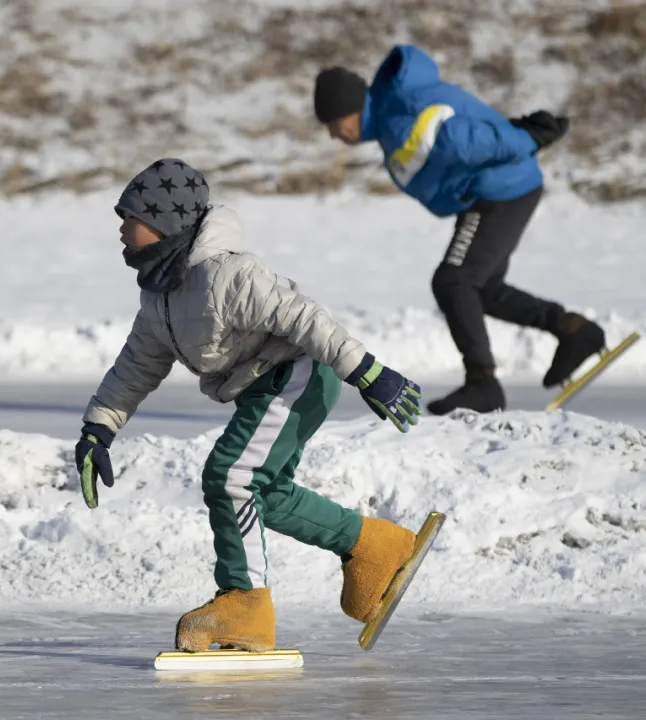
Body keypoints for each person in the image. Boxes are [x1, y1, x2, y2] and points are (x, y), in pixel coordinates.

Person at [74, 158, 425, 653]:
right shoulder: (160, 297)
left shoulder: (229, 275)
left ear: (160, 221)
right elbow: (134, 367)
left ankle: (245, 605)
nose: (120, 230)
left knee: (231, 476)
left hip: (299, 372)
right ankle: (372, 545)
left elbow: (305, 318)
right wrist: (98, 429)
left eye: (126, 217)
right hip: (264, 384)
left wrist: (366, 371)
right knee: (265, 492)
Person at [313, 44, 607, 415]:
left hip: (502, 191)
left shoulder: (397, 116)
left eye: (331, 124)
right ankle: (574, 331)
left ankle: (483, 384)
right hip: (496, 192)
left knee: (454, 281)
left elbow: (463, 140)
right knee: (480, 288)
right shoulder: (393, 116)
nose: (332, 135)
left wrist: (527, 138)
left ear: (348, 112)